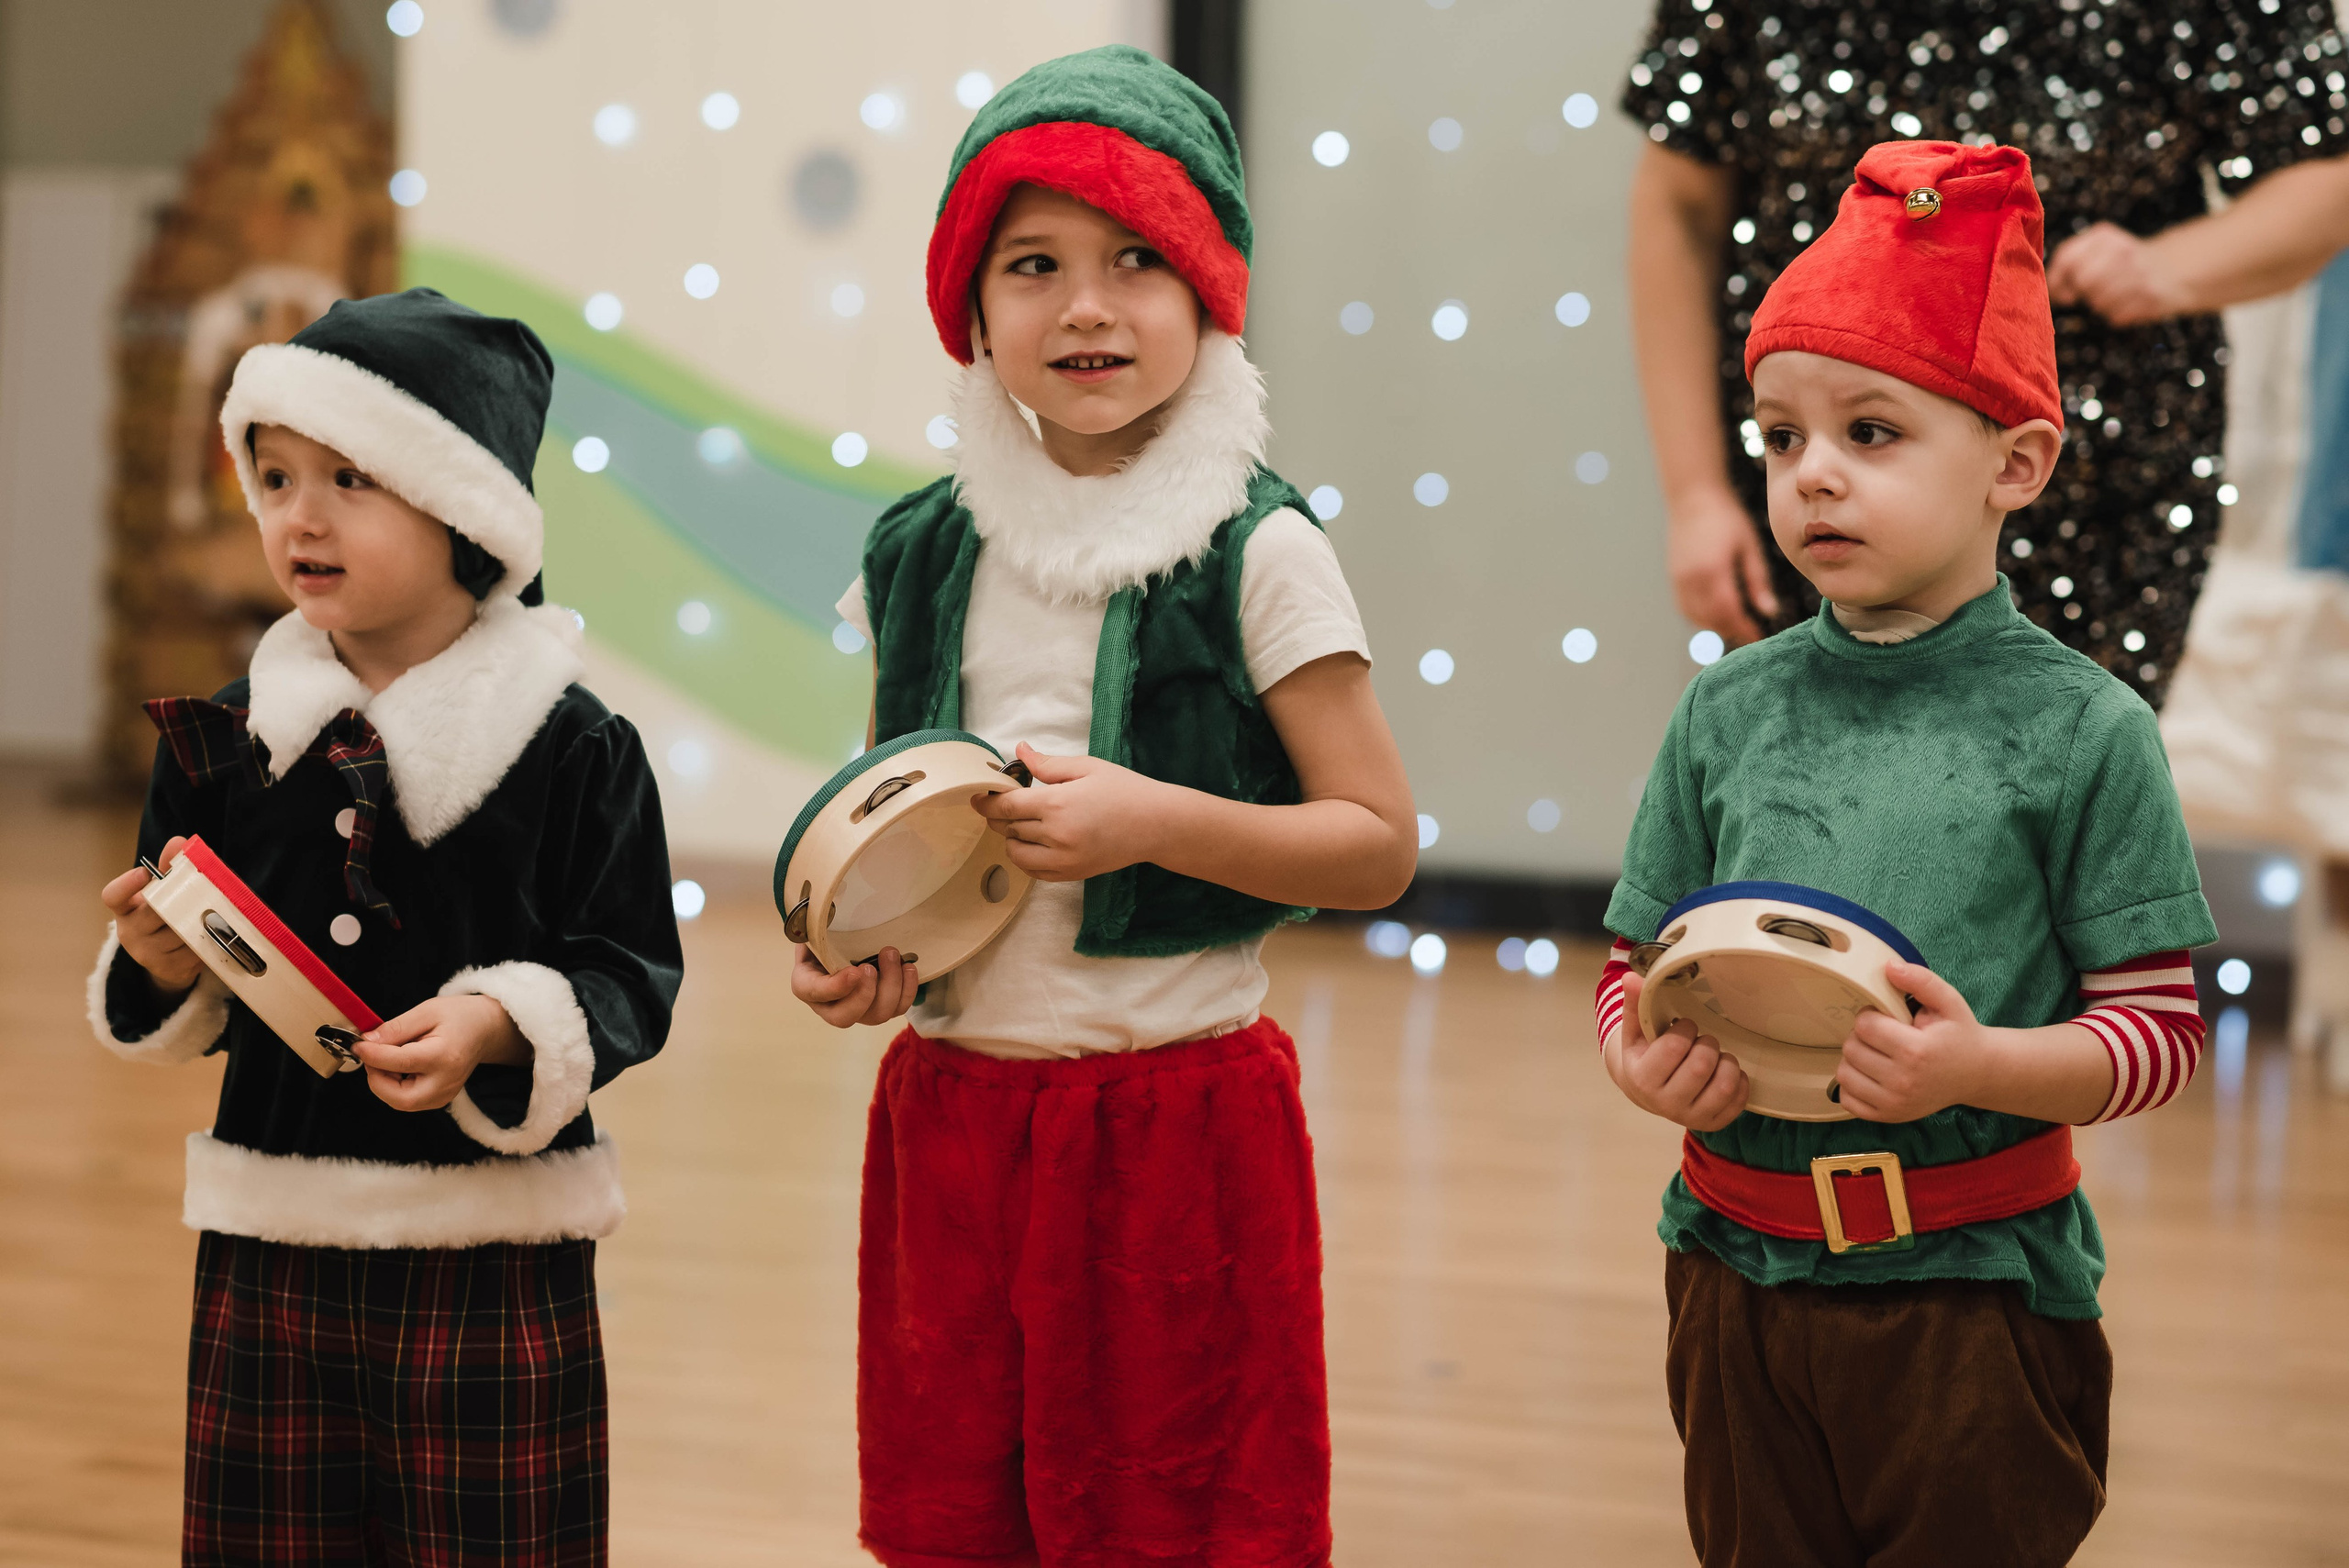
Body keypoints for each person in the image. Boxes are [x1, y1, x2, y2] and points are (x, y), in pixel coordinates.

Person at [791, 46, 1417, 1568]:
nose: (1086, 304)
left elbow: (1378, 842)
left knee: (1179, 1514)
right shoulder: (921, 549)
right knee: (965, 1509)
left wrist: (1156, 820)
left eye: (1139, 259)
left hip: (1175, 1127)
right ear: (973, 306)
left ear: (1208, 288)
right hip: (953, 1119)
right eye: (1034, 264)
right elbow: (898, 832)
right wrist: (869, 960)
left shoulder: (1258, 550)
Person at [1593, 143, 2219, 1567]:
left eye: (1870, 433)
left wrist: (1982, 1067)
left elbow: (2162, 1034)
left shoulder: (2082, 728)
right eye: (1780, 438)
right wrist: (1640, 1060)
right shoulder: (1728, 707)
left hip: (1972, 1299)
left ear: (2017, 460)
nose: (1813, 476)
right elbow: (1634, 969)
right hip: (1732, 1273)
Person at [88, 288, 681, 1563]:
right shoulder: (231, 735)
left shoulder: (575, 746)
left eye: (351, 476)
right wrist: (159, 965)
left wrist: (498, 1020)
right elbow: (185, 972)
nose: (297, 514)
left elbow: (631, 972)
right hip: (272, 1238)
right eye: (278, 473)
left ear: (462, 505)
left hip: (492, 1254)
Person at [1623, 0, 2349, 706]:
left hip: (2101, 491)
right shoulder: (1807, 491)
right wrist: (1696, 495)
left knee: (2067, 796)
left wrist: (2169, 268)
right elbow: (1680, 205)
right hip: (1814, 476)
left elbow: (2327, 172)